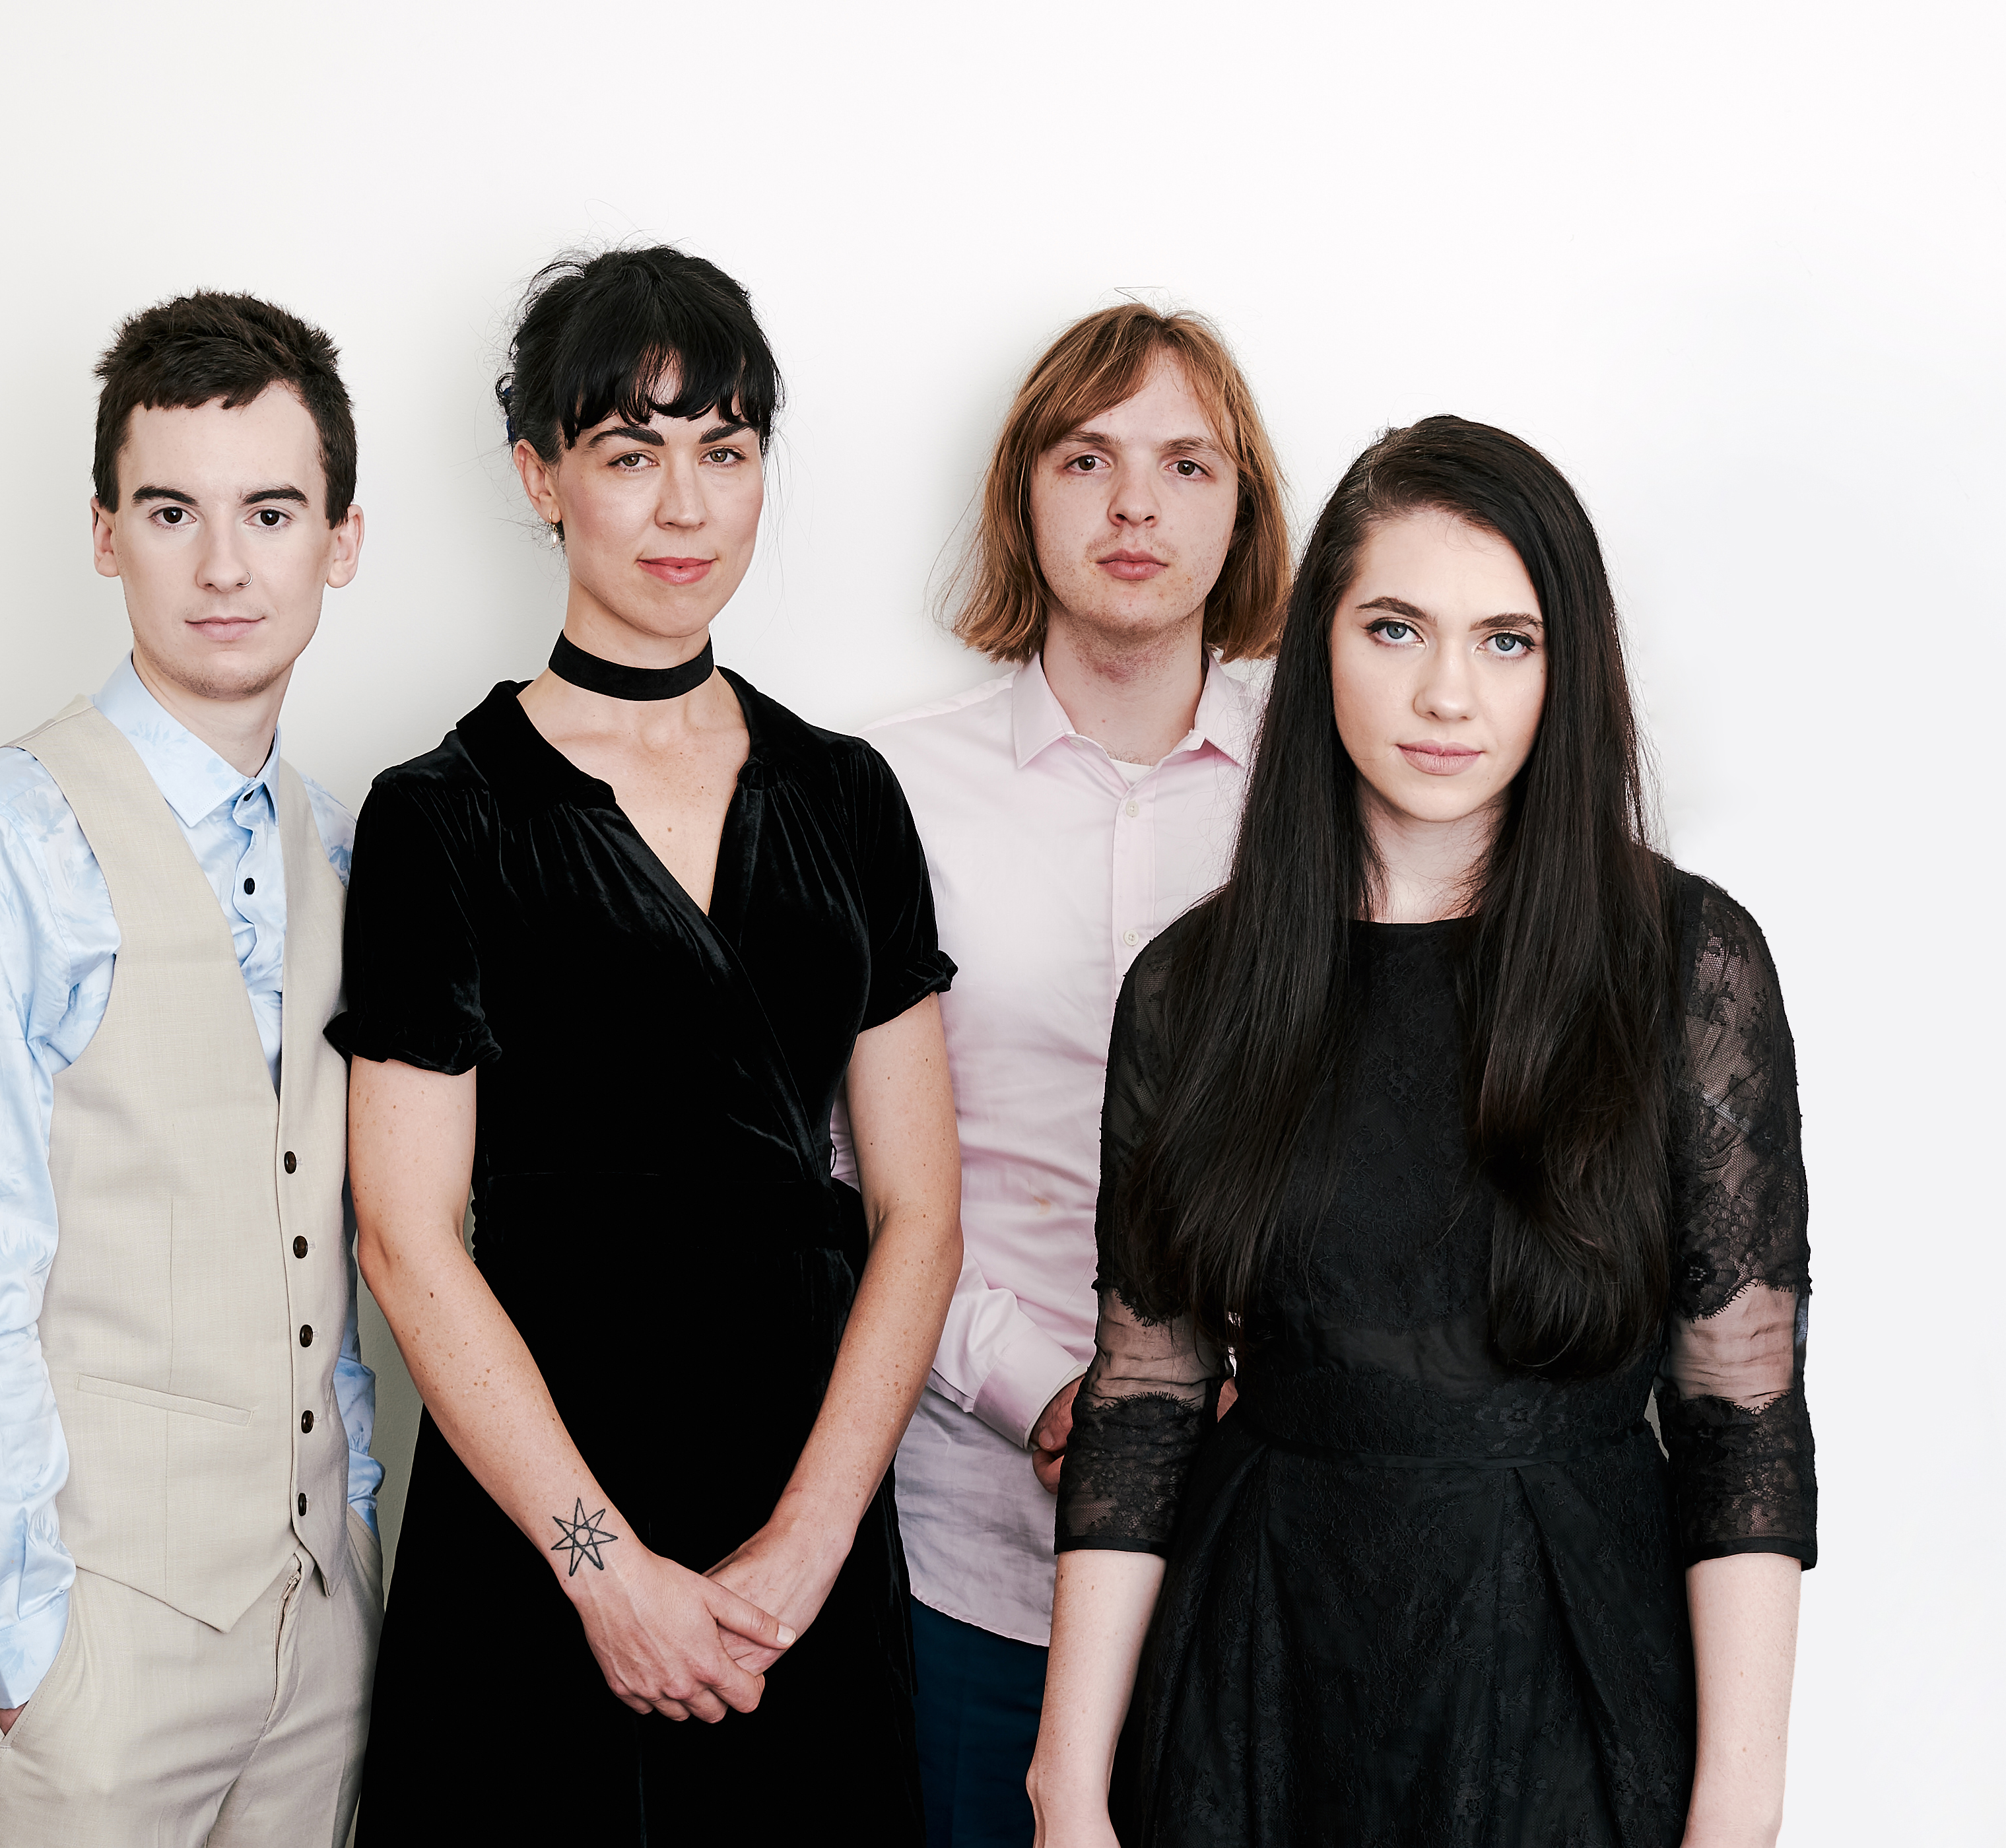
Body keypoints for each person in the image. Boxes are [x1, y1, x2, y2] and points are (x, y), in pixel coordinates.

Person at [1030, 417, 1815, 1848]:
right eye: (1395, 628)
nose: (1448, 693)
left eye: (1507, 641)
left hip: (1574, 1675)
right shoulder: (1193, 985)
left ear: (1567, 670)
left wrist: (1738, 1812)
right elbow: (1145, 1393)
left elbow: (1738, 1410)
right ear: (1318, 643)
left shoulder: (1683, 960)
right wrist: (1065, 1787)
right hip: (1258, 1672)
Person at [333, 246, 962, 1845]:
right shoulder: (440, 815)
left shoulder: (845, 795)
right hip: (540, 1507)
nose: (685, 505)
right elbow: (405, 1235)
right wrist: (602, 1570)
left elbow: (919, 1211)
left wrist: (810, 1543)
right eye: (629, 452)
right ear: (538, 476)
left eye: (724, 450)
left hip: (802, 1511)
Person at [0, 292, 384, 1843]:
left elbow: (318, 1243)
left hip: (319, 1628)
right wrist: (29, 1639)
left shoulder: (344, 844)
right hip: (95, 1645)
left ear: (340, 541)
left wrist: (352, 1529)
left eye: (270, 512)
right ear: (106, 534)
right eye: (171, 511)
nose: (223, 565)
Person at [836, 303, 1289, 1848]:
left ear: (1242, 509)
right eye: (1085, 459)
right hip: (967, 1553)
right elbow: (840, 1169)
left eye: (1185, 463)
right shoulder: (887, 789)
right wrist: (1037, 1392)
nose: (1134, 504)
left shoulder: (1323, 795)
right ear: (1021, 496)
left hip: (1264, 1547)